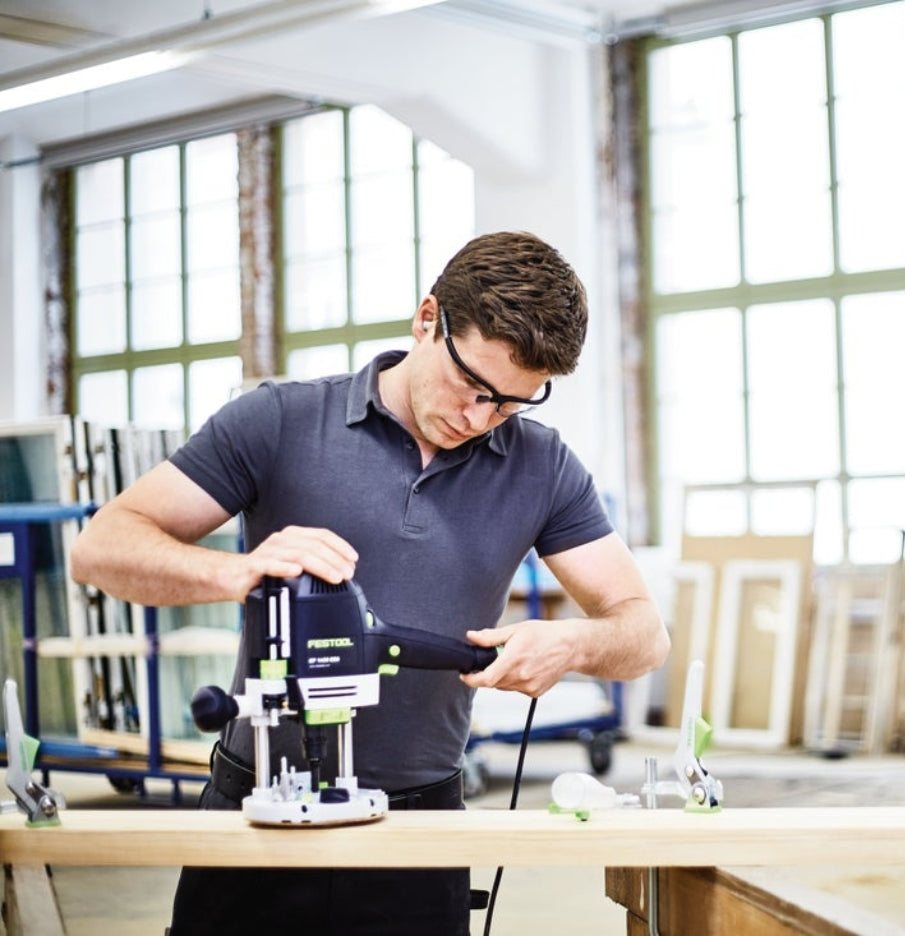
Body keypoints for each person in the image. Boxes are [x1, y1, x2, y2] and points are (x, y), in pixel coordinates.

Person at [70, 230, 669, 935]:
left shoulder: (541, 466)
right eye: (471, 387)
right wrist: (234, 571)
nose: (478, 419)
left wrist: (572, 645)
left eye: (509, 404)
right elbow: (100, 548)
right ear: (427, 319)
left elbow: (644, 634)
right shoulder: (281, 421)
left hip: (420, 833)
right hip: (256, 813)